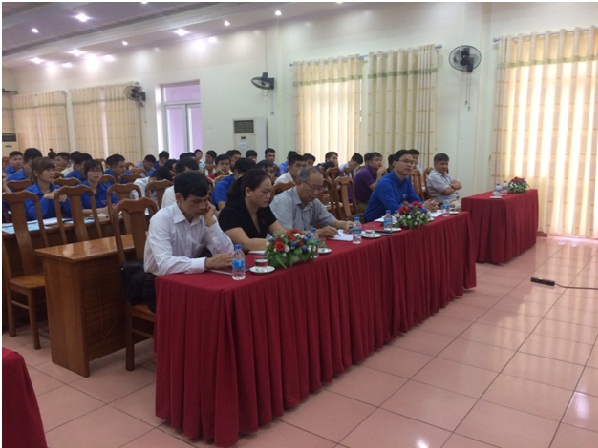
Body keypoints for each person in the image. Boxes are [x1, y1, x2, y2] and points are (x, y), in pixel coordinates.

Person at [144, 171, 234, 312]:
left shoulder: (205, 216)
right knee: (203, 310)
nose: (202, 206)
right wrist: (207, 262)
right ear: (179, 198)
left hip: (192, 280)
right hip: (160, 284)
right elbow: (165, 265)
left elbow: (228, 254)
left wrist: (212, 224)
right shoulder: (161, 219)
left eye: (205, 199)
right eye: (196, 201)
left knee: (222, 303)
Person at [270, 167, 354, 237]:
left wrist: (345, 224)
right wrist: (318, 232)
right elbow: (286, 235)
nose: (316, 192)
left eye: (320, 188)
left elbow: (333, 221)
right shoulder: (283, 201)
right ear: (299, 183)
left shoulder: (314, 201)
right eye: (313, 187)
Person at [219, 168, 286, 251]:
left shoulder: (263, 208)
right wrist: (280, 243)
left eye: (270, 192)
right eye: (264, 192)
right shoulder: (230, 213)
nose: (268, 196)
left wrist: (294, 239)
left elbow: (281, 234)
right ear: (248, 191)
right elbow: (246, 244)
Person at [364, 149, 438, 222]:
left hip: (395, 220)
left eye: (412, 162)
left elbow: (415, 200)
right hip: (374, 222)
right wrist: (422, 207)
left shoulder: (406, 180)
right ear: (395, 163)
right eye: (405, 161)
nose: (409, 164)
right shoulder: (385, 182)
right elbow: (394, 209)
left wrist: (430, 205)